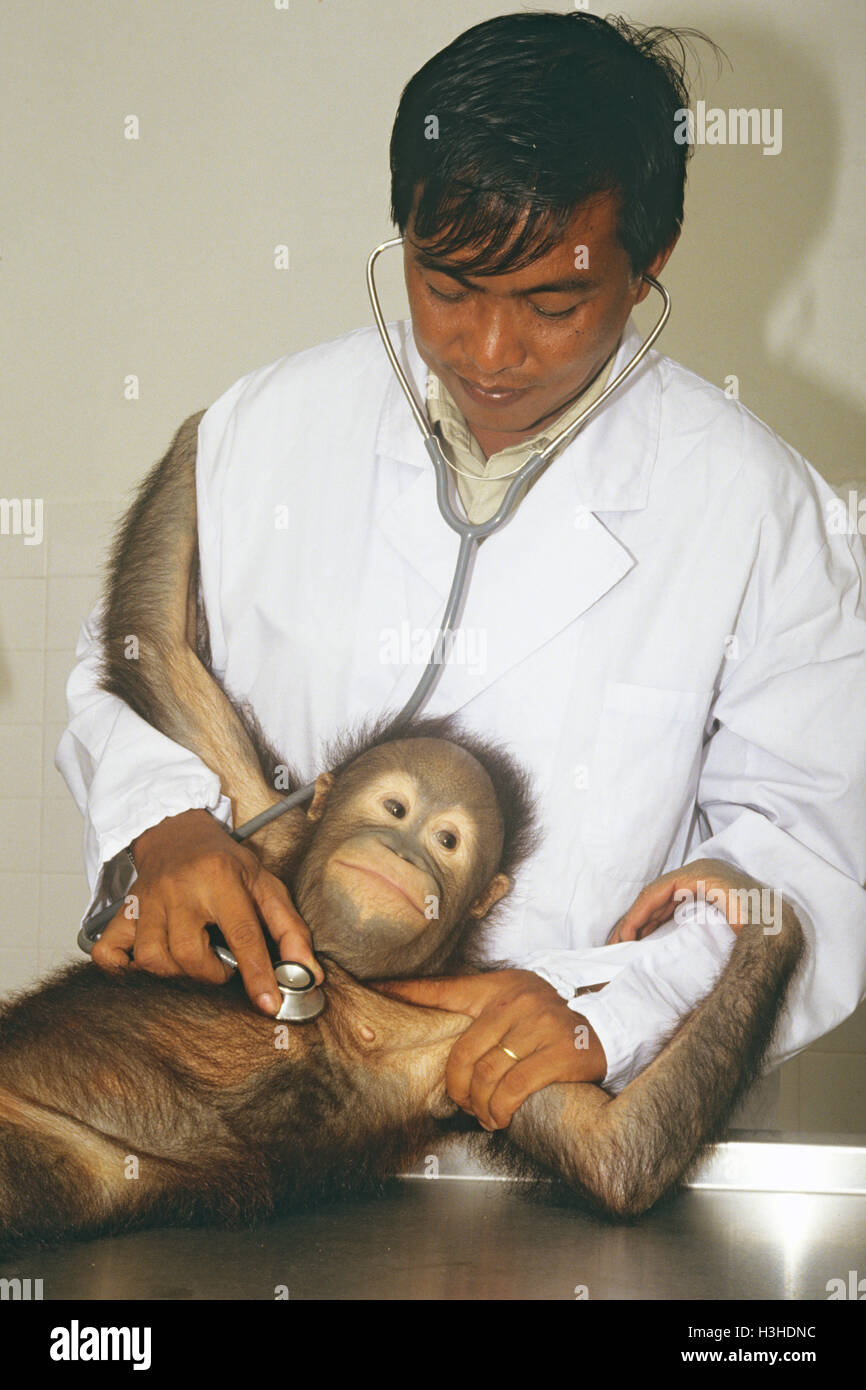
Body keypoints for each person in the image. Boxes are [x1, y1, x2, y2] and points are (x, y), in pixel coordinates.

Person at [57, 12, 866, 1136]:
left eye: (550, 304)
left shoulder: (758, 510)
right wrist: (165, 824)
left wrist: (605, 1010)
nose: (488, 354)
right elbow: (127, 661)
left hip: (549, 1119)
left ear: (645, 270)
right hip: (233, 1085)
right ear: (402, 235)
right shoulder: (266, 427)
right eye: (445, 287)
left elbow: (808, 853)